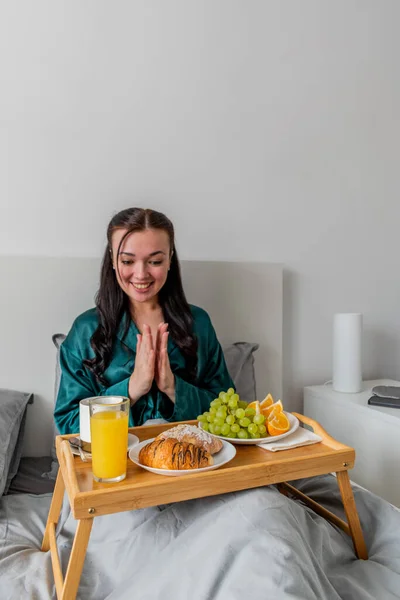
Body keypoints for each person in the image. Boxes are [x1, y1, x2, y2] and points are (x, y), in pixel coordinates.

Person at [54, 207, 234, 434]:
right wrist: (131, 389)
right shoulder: (86, 330)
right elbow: (68, 423)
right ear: (112, 259)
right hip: (115, 464)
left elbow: (227, 411)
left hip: (189, 463)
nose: (141, 274)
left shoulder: (198, 323)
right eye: (128, 262)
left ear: (169, 259)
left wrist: (173, 387)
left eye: (155, 262)